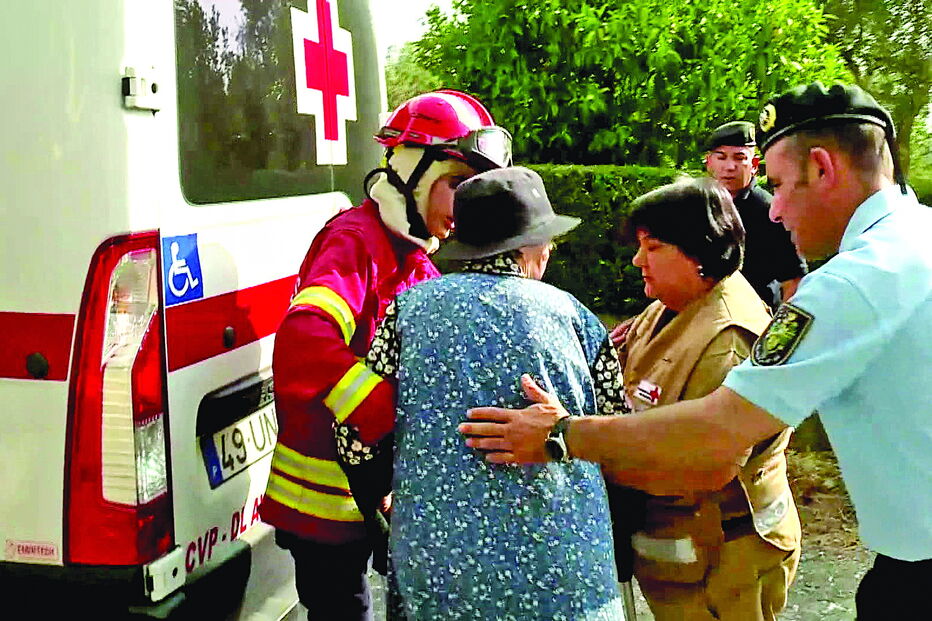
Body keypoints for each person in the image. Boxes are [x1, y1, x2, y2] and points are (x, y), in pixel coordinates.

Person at [459, 82, 932, 620]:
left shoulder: (856, 280)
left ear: (823, 168)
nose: (773, 211)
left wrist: (560, 436)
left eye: (776, 184)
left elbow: (716, 434)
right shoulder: (916, 236)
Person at [260, 90, 512, 621]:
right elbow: (305, 341)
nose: (463, 207)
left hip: (365, 496)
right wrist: (386, 417)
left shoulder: (414, 257)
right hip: (323, 502)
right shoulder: (356, 241)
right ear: (412, 173)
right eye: (457, 185)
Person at [337, 166, 628, 620]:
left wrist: (384, 501)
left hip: (439, 571)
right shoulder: (575, 317)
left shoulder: (409, 311)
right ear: (527, 244)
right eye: (546, 237)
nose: (549, 249)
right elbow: (620, 439)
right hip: (563, 571)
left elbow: (355, 434)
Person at [610, 177, 799, 620]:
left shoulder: (728, 337)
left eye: (653, 247)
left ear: (698, 253)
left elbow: (707, 463)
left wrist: (580, 443)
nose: (638, 260)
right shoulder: (669, 304)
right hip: (684, 559)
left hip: (725, 566)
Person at [705, 120, 807, 309]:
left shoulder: (771, 212)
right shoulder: (699, 205)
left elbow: (794, 281)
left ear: (754, 165)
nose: (729, 167)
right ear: (709, 162)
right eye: (721, 157)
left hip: (755, 318)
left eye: (739, 158)